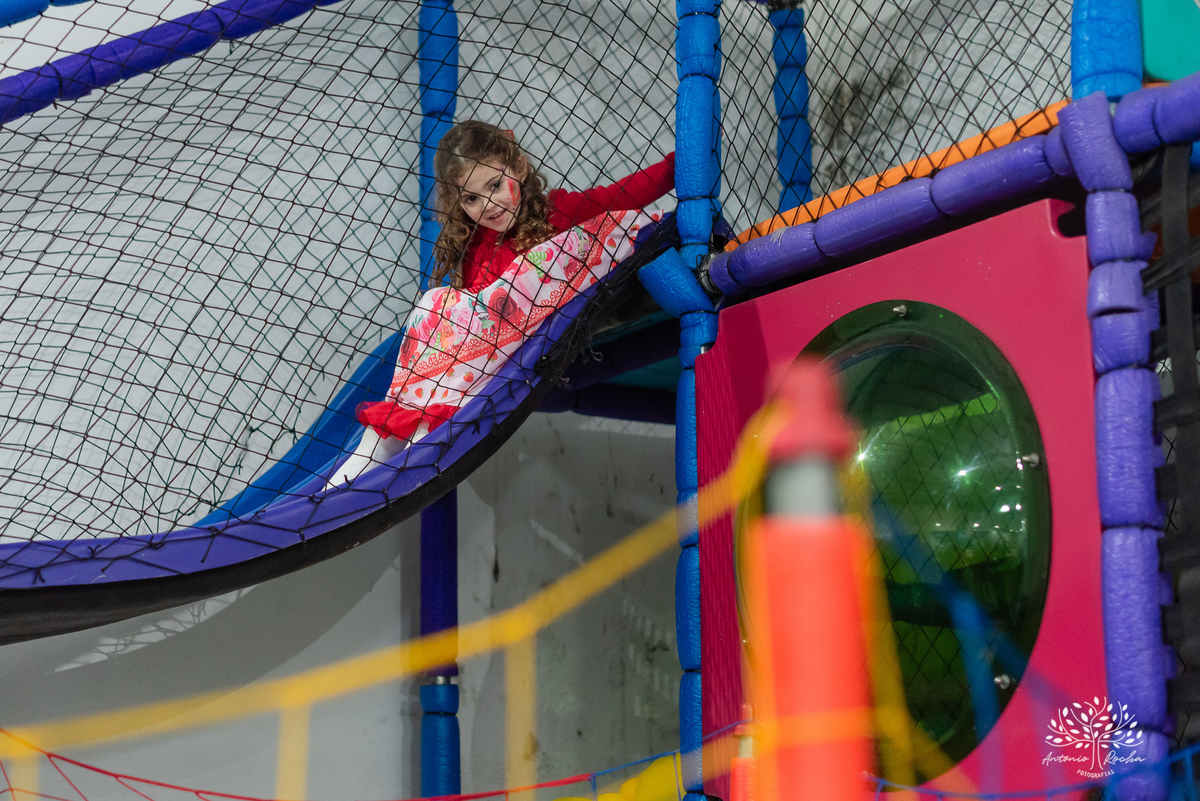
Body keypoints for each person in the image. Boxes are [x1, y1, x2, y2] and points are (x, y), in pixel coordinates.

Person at [326, 121, 675, 487]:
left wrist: (678, 164)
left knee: (451, 303)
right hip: (476, 359)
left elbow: (622, 195)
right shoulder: (475, 245)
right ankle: (382, 441)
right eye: (471, 199)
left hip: (511, 349)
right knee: (435, 305)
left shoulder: (556, 212)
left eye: (494, 185)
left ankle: (421, 434)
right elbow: (472, 313)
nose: (489, 205)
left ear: (519, 169)